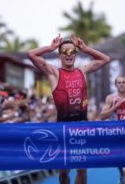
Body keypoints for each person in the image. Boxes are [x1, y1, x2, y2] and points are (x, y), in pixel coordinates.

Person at [28, 34, 110, 184]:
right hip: (62, 129)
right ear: (60, 55)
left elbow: (105, 59)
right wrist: (50, 48)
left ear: (76, 54)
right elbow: (31, 54)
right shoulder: (54, 72)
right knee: (64, 171)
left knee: (82, 170)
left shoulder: (82, 71)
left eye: (72, 52)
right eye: (65, 52)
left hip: (83, 127)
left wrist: (85, 49)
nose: (69, 55)